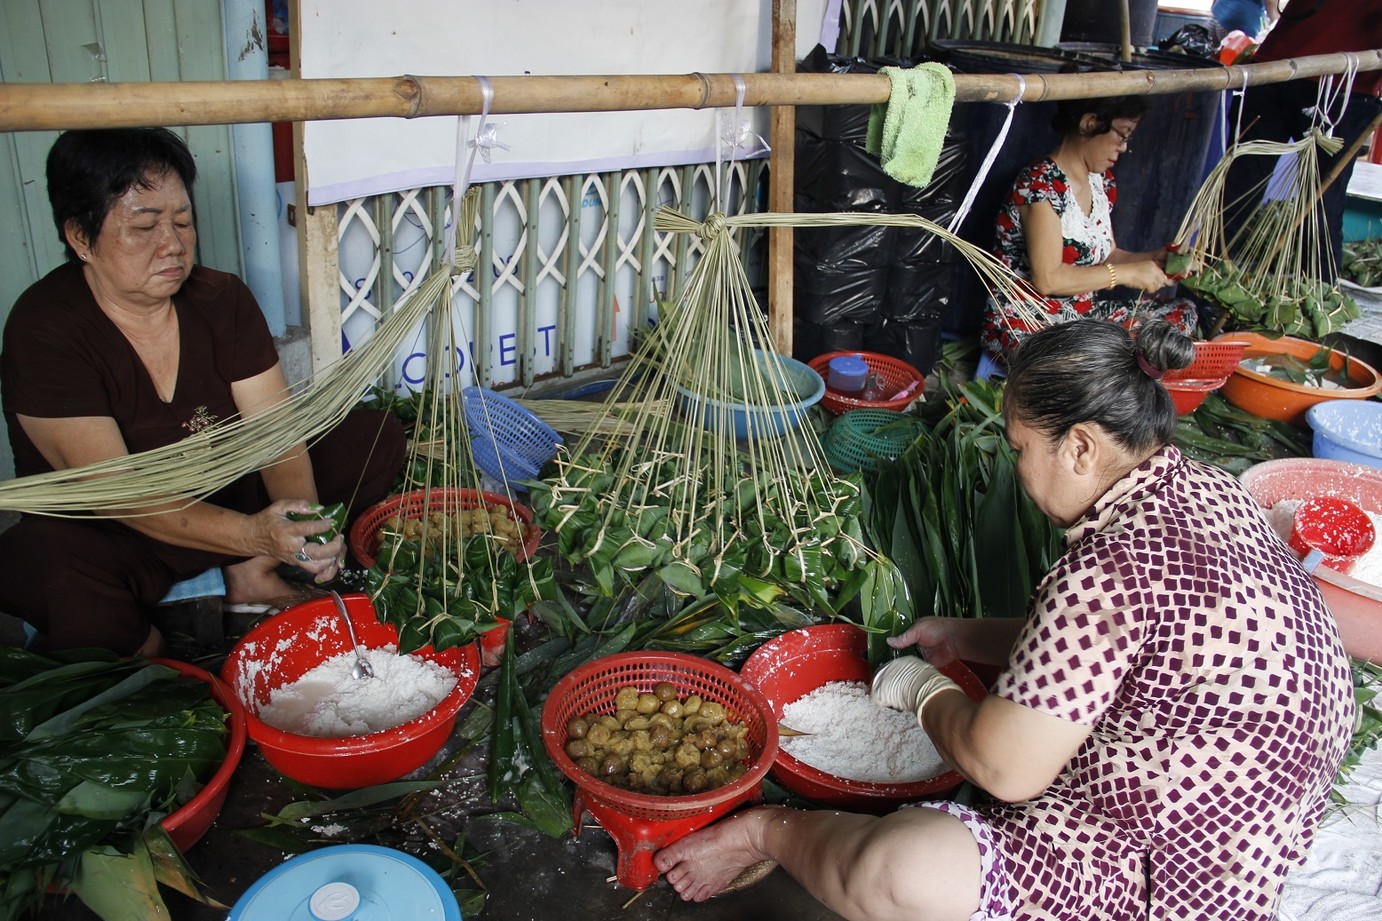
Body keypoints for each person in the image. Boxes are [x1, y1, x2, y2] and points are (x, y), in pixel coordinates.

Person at [656, 319, 1355, 920]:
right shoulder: (1203, 488)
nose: (1018, 468)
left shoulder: (1109, 571)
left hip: (1165, 869)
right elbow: (1116, 644)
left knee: (897, 870)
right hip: (1254, 834)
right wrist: (962, 636)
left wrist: (924, 690)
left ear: (1080, 446)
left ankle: (764, 835)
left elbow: (1002, 766)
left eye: (1021, 448)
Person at [0, 127, 406, 656]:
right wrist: (256, 534)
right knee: (51, 565)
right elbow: (122, 496)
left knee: (369, 436)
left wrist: (299, 522)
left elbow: (275, 433)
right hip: (126, 531)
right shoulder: (45, 328)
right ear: (80, 237)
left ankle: (249, 577)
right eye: (143, 226)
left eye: (183, 221)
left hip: (221, 498)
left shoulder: (221, 298)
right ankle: (144, 644)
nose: (172, 244)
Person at [980, 96, 1199, 364]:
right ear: (1089, 123)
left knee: (1181, 314)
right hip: (1030, 326)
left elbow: (1107, 255)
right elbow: (1048, 279)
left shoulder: (1102, 183)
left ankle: (1103, 363)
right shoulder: (1040, 183)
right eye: (1122, 135)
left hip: (1082, 318)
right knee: (1094, 360)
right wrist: (1125, 274)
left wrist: (1154, 259)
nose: (1124, 147)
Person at [1221, 0, 1382, 282]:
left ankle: (1317, 305)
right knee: (1236, 190)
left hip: (1344, 85)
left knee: (1321, 205)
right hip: (1278, 66)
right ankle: (1205, 291)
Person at [1212, 0, 1279, 39]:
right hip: (1238, 27)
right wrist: (1280, 27)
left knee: (1212, 58)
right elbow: (1270, 3)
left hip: (1216, 16)